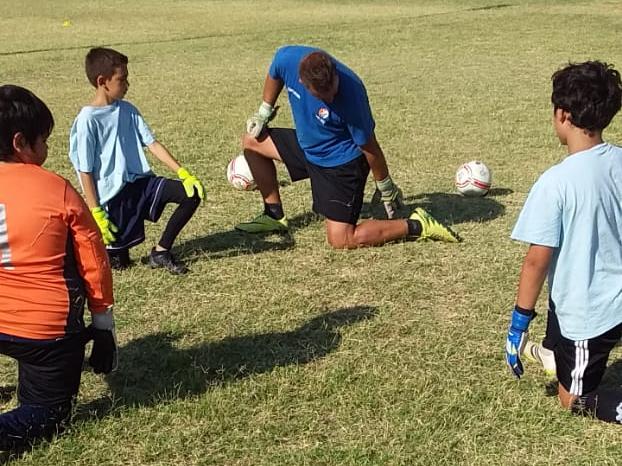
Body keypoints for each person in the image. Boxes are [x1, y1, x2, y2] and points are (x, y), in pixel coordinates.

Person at [238, 45, 459, 248]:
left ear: (334, 73)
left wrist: (385, 185)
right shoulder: (288, 59)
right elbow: (275, 71)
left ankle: (417, 224)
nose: (331, 97)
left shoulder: (352, 93)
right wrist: (264, 110)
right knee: (251, 141)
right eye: (323, 95)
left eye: (333, 89)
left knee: (341, 239)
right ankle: (274, 215)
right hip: (308, 147)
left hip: (340, 161)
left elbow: (370, 147)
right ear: (303, 83)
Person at [0, 85, 117, 449]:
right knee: (47, 415)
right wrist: (103, 327)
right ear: (21, 142)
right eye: (44, 140)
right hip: (44, 332)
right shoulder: (56, 189)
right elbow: (93, 260)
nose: (48, 149)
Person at [505, 61, 622, 423]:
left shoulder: (555, 182)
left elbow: (536, 261)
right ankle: (554, 351)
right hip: (603, 298)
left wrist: (518, 323)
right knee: (560, 322)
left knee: (573, 400)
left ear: (562, 114)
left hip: (592, 314)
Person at [69, 47, 204, 274]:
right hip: (113, 198)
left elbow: (152, 144)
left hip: (141, 185)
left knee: (191, 194)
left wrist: (183, 173)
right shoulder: (87, 120)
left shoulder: (128, 110)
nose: (127, 84)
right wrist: (95, 211)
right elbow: (85, 170)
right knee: (119, 264)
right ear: (102, 81)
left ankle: (161, 252)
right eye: (122, 79)